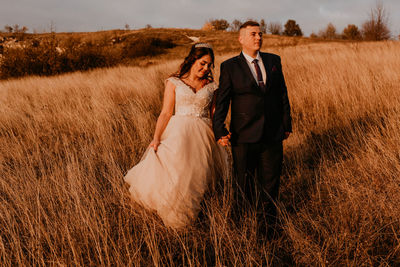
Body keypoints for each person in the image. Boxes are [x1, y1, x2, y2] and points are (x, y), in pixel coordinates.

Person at [124, 43, 227, 228]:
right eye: (202, 63)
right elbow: (165, 113)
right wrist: (156, 138)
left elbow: (214, 116)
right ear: (192, 60)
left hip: (203, 135)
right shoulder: (174, 82)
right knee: (177, 174)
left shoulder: (212, 86)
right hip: (178, 132)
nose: (205, 68)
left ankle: (190, 215)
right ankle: (176, 217)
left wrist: (220, 135)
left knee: (197, 176)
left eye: (209, 65)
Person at [212, 21, 292, 236]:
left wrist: (287, 124)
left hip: (273, 133)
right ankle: (239, 227)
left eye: (260, 34)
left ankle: (268, 228)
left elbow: (282, 94)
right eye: (253, 34)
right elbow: (223, 100)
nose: (258, 38)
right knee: (243, 184)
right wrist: (219, 128)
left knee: (270, 184)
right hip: (244, 135)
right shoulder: (229, 66)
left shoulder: (274, 61)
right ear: (241, 39)